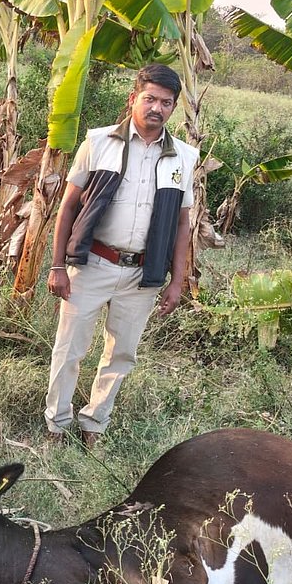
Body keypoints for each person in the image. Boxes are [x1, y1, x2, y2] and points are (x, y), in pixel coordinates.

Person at [44, 64, 198, 449]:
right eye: (149, 99)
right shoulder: (98, 142)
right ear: (133, 99)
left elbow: (182, 224)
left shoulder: (183, 157)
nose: (156, 109)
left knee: (122, 353)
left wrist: (177, 280)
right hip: (92, 263)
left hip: (142, 274)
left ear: (174, 108)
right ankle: (57, 424)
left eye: (166, 103)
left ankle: (94, 423)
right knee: (70, 348)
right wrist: (58, 264)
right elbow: (67, 208)